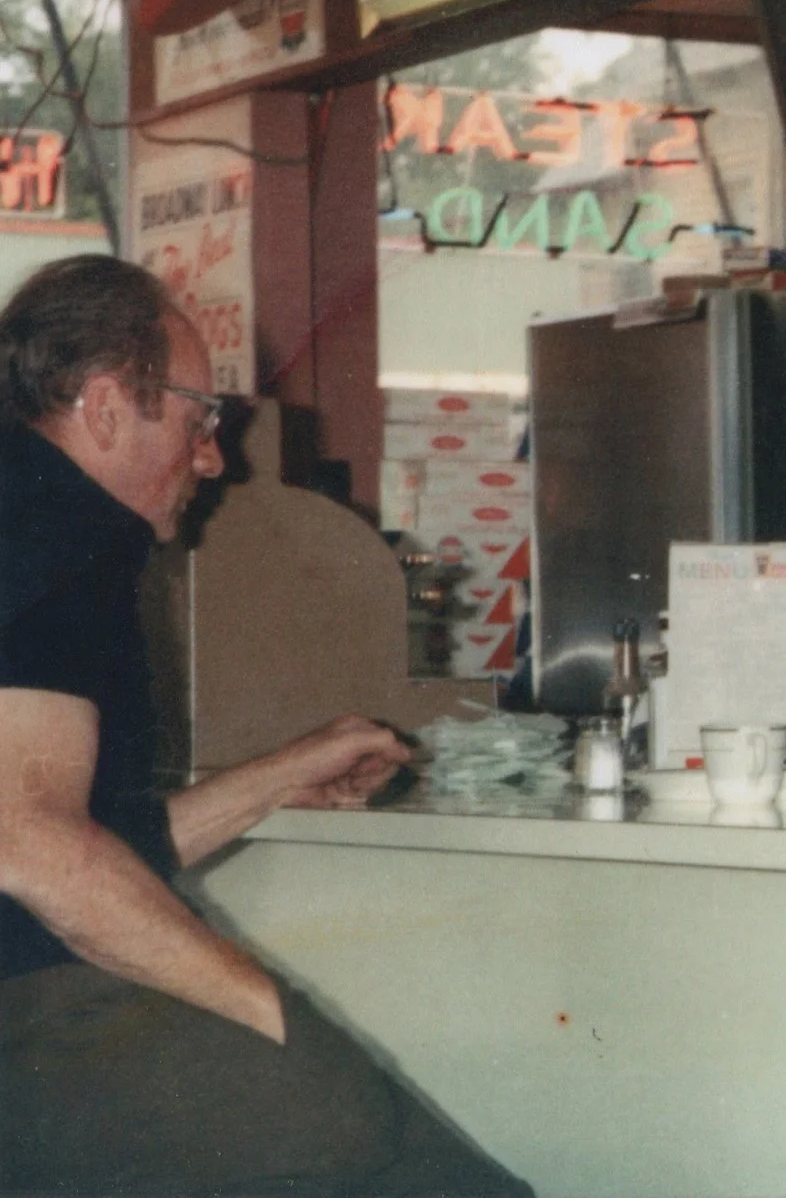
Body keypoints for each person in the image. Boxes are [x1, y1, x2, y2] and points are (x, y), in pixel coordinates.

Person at [0, 255, 529, 1197]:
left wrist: (279, 773)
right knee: (374, 1136)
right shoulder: (65, 534)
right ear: (109, 405)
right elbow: (29, 844)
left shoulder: (27, 513)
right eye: (202, 417)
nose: (216, 456)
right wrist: (265, 1008)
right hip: (40, 1024)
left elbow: (82, 846)